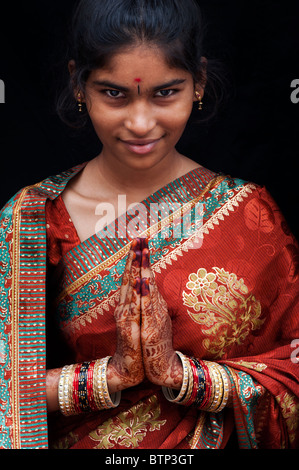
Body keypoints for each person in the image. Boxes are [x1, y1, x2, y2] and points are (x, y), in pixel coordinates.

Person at [0, 0, 298, 450]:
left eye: (165, 93)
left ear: (197, 82)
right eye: (114, 93)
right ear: (78, 84)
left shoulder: (251, 213)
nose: (140, 124)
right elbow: (6, 390)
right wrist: (110, 375)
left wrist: (183, 376)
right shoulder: (32, 218)